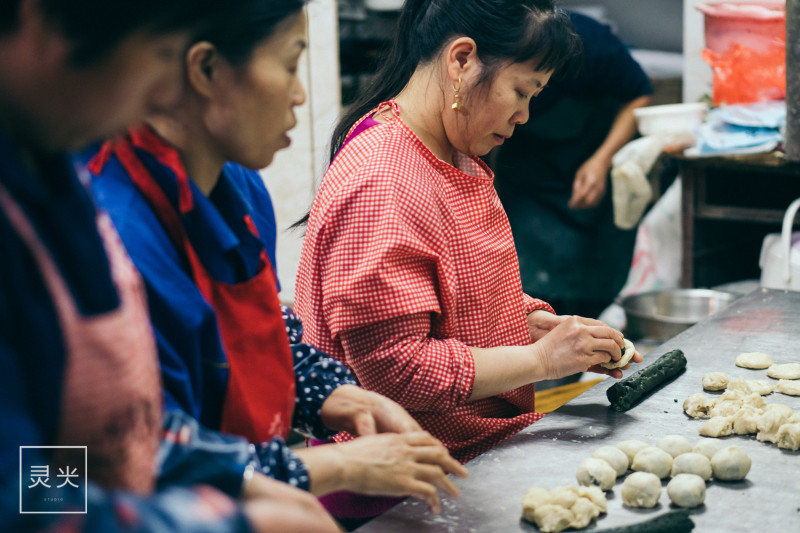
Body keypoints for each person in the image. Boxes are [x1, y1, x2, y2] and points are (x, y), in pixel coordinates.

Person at [87, 0, 467, 524]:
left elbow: (265, 328)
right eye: (290, 64)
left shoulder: (238, 188)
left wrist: (332, 392)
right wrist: (322, 467)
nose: (299, 94)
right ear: (205, 69)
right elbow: (98, 470)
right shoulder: (114, 242)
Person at [294, 0, 644, 520]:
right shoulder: (383, 182)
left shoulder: (449, 151)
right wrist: (543, 361)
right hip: (397, 487)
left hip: (469, 457)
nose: (525, 115)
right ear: (462, 60)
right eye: (521, 92)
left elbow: (452, 290)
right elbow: (397, 369)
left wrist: (527, 322)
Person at [0, 0, 340, 531]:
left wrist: (237, 478)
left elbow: (98, 444)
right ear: (41, 20)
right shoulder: (106, 205)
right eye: (160, 53)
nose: (162, 93)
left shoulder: (55, 175)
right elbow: (23, 491)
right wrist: (222, 518)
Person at [492, 10, 653, 324]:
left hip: (591, 164)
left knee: (593, 283)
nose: (523, 111)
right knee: (529, 288)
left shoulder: (590, 41)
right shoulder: (497, 45)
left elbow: (639, 95)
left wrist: (601, 160)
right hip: (528, 177)